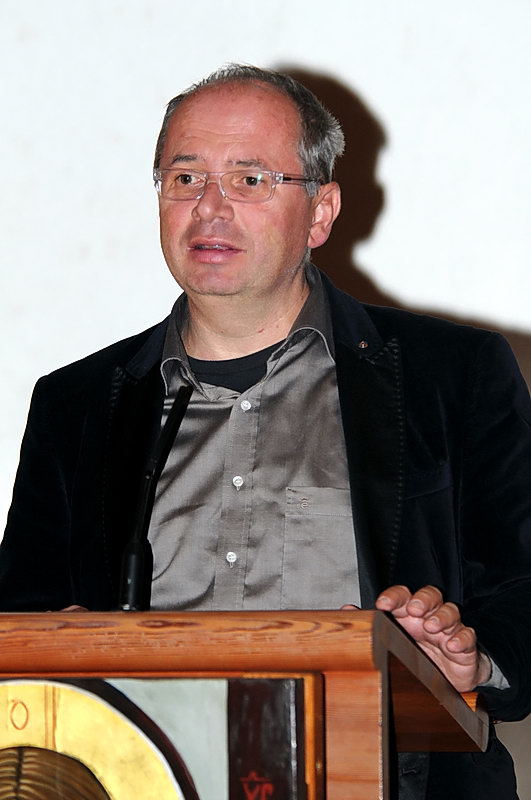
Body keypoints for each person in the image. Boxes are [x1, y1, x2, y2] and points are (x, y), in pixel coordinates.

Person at [1, 65, 530, 798]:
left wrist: (473, 658)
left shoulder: (452, 375)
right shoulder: (78, 402)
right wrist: (57, 643)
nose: (209, 208)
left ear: (320, 212)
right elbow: (21, 621)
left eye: (249, 180)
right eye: (185, 178)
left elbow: (521, 585)